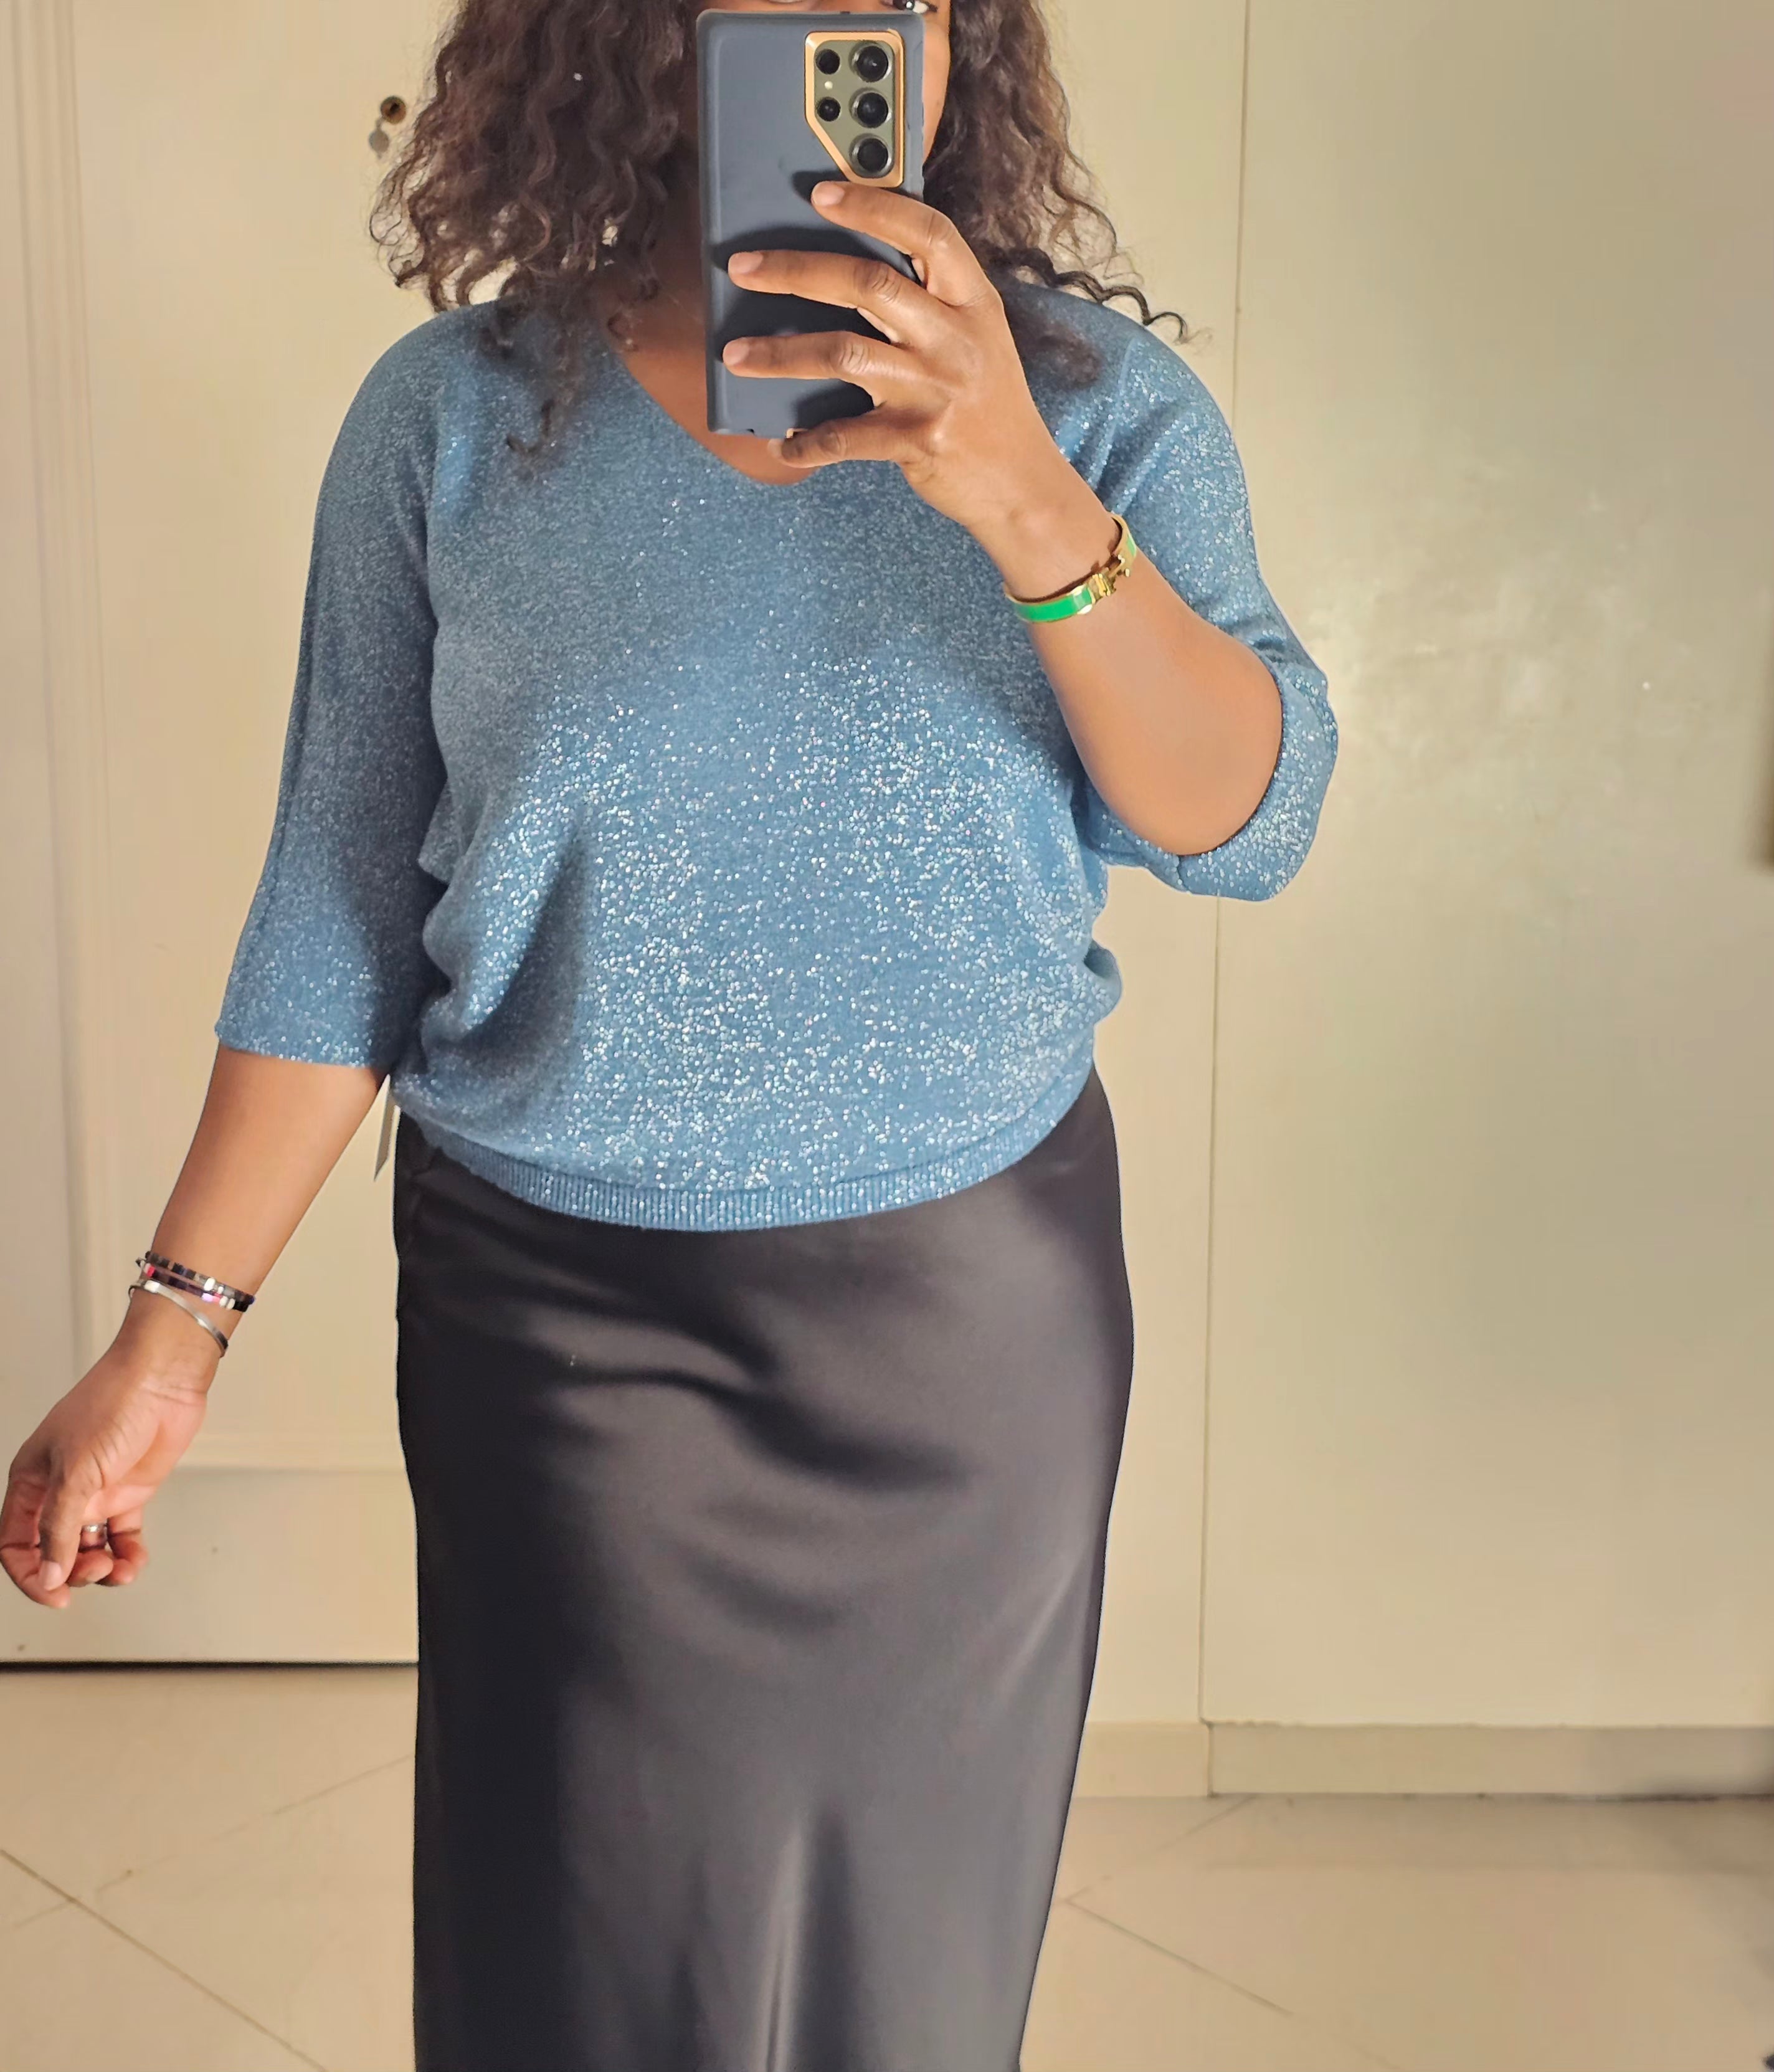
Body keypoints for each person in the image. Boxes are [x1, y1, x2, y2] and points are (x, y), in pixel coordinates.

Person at [1, 0, 1338, 2065]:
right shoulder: (456, 421)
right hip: (561, 1335)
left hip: (967, 1332)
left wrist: (1023, 502)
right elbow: (342, 903)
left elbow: (1249, 824)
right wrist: (169, 1338)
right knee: (588, 1981)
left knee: (907, 1991)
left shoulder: (1092, 409)